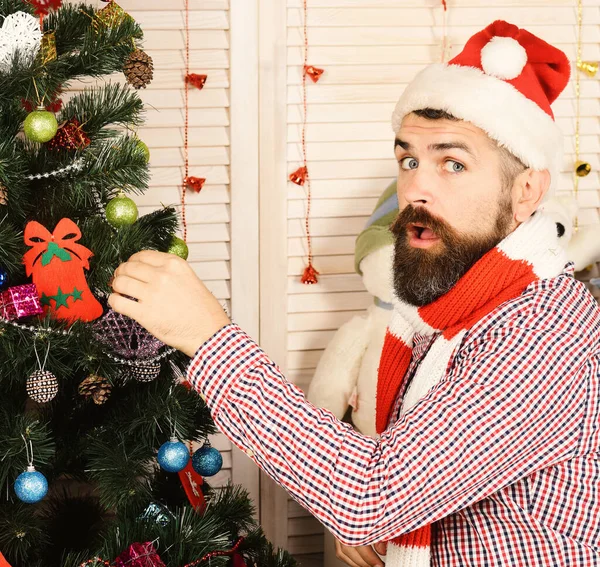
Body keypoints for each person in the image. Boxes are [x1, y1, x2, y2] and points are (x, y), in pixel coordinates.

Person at [109, 20, 600, 567]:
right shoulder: (441, 313)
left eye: (453, 163)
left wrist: (209, 338)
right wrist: (394, 524)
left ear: (526, 190)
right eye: (409, 159)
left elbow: (369, 492)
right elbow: (403, 482)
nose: (414, 187)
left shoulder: (543, 328)